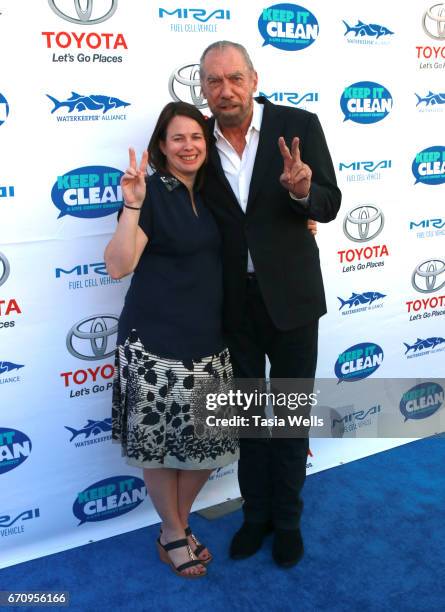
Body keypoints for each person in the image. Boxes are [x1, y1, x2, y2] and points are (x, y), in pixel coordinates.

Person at [199, 41, 342, 568]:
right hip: (232, 302)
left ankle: (286, 520)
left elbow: (328, 202)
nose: (225, 90)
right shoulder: (195, 141)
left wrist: (304, 191)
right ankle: (255, 514)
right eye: (214, 81)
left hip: (293, 299)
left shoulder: (297, 124)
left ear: (254, 80)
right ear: (203, 87)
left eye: (234, 78)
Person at [105, 101, 239, 578]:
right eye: (178, 138)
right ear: (162, 145)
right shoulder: (153, 192)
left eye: (197, 137)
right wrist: (133, 203)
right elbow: (119, 264)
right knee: (159, 449)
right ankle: (175, 532)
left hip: (210, 342)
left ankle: (172, 526)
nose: (189, 146)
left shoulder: (213, 191)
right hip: (155, 345)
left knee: (211, 448)